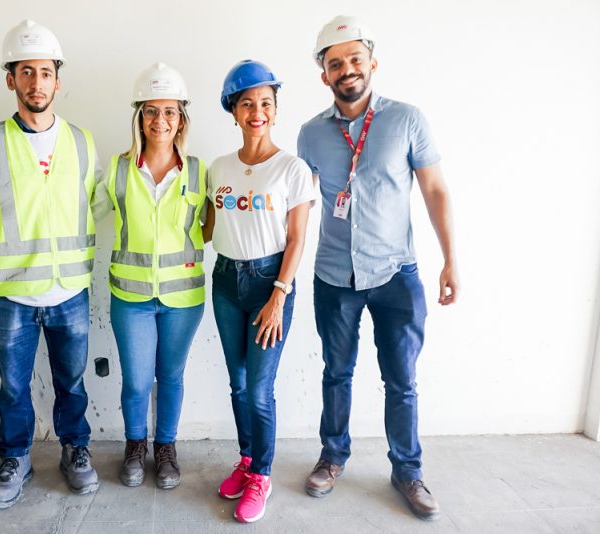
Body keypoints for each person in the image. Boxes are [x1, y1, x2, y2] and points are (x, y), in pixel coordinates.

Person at [298, 16, 459, 521]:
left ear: (373, 61)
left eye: (354, 58)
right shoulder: (310, 135)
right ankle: (332, 456)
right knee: (336, 374)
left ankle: (407, 471)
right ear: (324, 74)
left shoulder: (407, 120)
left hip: (396, 275)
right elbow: (299, 208)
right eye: (335, 62)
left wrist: (451, 258)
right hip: (333, 278)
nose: (347, 69)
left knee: (402, 380)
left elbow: (434, 189)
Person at [0, 20, 101, 509]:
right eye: (26, 72)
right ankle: (15, 458)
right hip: (11, 294)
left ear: (58, 80)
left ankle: (75, 449)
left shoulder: (83, 143)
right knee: (14, 386)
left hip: (70, 291)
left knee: (72, 383)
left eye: (45, 72)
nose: (36, 82)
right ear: (10, 80)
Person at [204, 60, 314, 523]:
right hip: (226, 281)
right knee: (237, 382)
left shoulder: (292, 169)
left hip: (271, 282)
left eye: (265, 103)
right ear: (233, 110)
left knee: (259, 388)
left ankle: (263, 476)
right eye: (247, 103)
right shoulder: (219, 168)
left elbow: (297, 240)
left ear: (275, 110)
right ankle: (247, 460)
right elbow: (206, 229)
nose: (257, 111)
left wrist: (278, 296)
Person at [92, 63, 206, 490]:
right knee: (137, 379)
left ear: (182, 119)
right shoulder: (119, 169)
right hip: (131, 297)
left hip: (183, 299)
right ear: (139, 116)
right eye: (152, 111)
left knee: (171, 378)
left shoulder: (197, 170)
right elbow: (88, 213)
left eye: (170, 112)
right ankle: (135, 445)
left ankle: (167, 448)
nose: (161, 121)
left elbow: (212, 227)